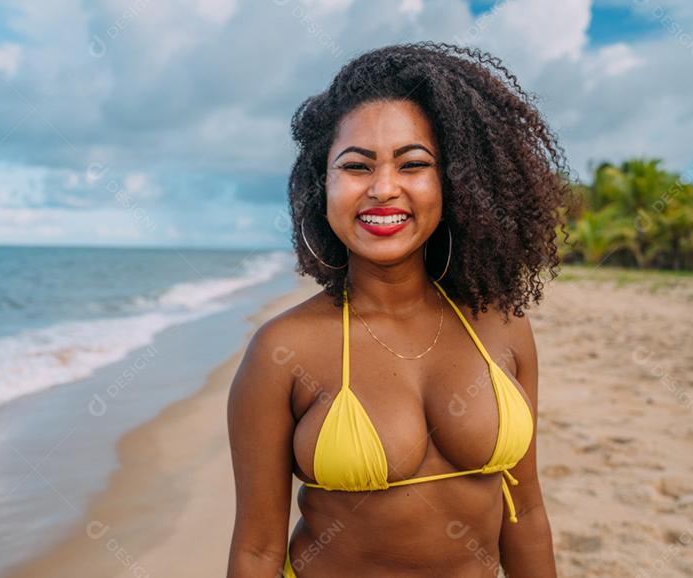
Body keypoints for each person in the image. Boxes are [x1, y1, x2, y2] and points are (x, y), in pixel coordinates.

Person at [226, 41, 573, 577]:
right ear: (324, 187)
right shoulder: (283, 350)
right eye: (357, 166)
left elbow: (524, 511)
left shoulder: (502, 326)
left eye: (413, 164)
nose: (383, 189)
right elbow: (257, 550)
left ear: (454, 182)